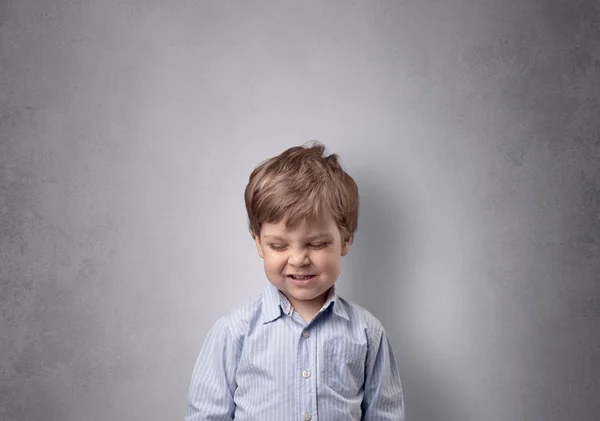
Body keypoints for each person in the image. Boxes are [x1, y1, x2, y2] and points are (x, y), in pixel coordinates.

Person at [185, 142, 405, 420]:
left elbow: (384, 414)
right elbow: (207, 415)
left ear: (345, 241)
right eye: (279, 246)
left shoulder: (367, 333)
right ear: (260, 245)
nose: (299, 259)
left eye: (316, 244)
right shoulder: (234, 331)